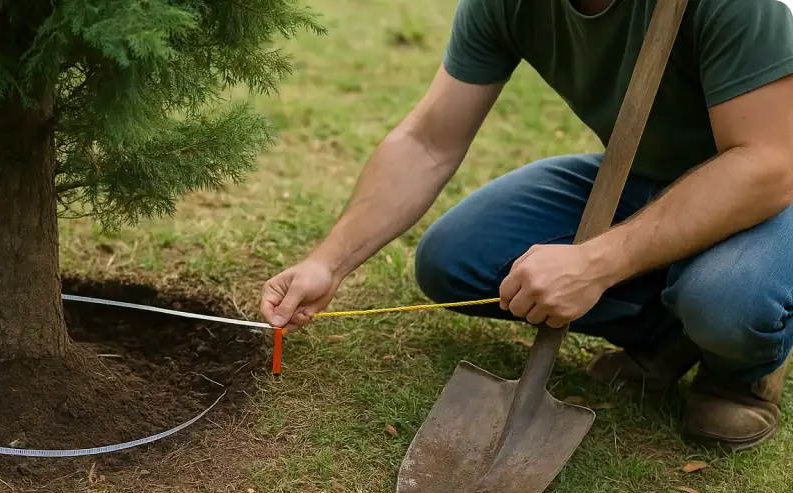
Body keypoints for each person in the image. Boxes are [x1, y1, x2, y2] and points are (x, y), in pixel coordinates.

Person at [259, 0, 793, 452]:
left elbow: (768, 164)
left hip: (770, 187)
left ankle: (742, 370)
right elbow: (428, 141)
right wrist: (327, 261)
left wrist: (596, 263)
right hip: (648, 175)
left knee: (727, 301)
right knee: (457, 261)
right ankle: (675, 334)